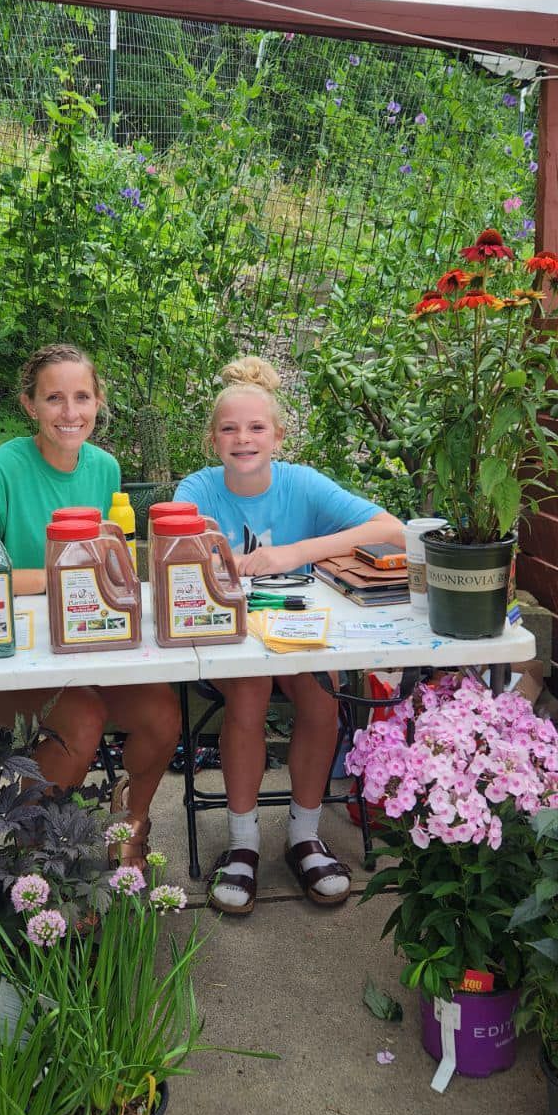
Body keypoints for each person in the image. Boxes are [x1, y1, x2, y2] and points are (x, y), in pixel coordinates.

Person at [175, 357, 405, 915]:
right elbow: (178, 552)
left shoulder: (302, 483)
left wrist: (293, 553)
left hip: (298, 629)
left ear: (278, 435)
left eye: (256, 428)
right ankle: (243, 841)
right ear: (212, 440)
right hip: (231, 637)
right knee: (249, 693)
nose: (243, 439)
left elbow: (391, 528)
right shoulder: (199, 488)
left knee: (323, 696)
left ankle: (304, 834)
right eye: (229, 429)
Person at [0, 343, 179, 865]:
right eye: (54, 398)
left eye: (82, 396)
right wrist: (62, 580)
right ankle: (35, 861)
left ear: (99, 401)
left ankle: (131, 829)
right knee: (80, 717)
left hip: (80, 644)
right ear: (30, 405)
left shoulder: (104, 469)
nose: (70, 412)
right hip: (4, 658)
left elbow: (106, 564)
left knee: (163, 713)